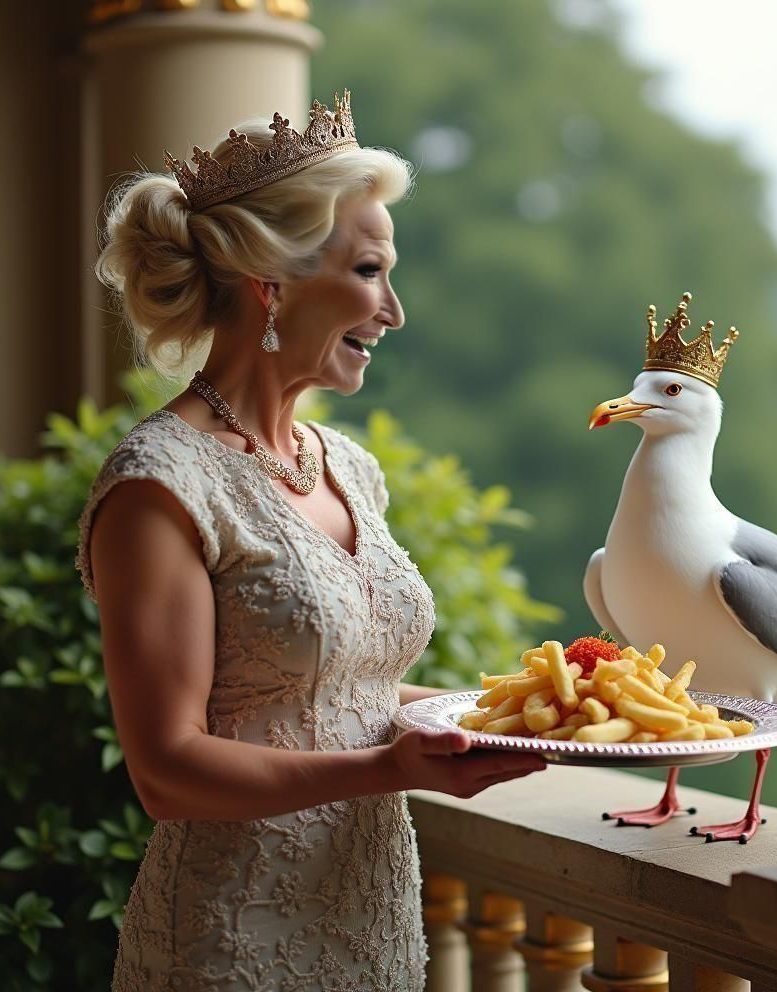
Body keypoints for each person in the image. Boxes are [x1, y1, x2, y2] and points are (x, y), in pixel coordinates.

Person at [76, 91, 546, 992]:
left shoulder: (349, 467)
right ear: (272, 283)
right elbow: (167, 769)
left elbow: (343, 687)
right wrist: (384, 770)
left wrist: (523, 712)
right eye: (370, 270)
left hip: (371, 916)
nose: (393, 311)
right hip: (233, 938)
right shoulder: (158, 485)